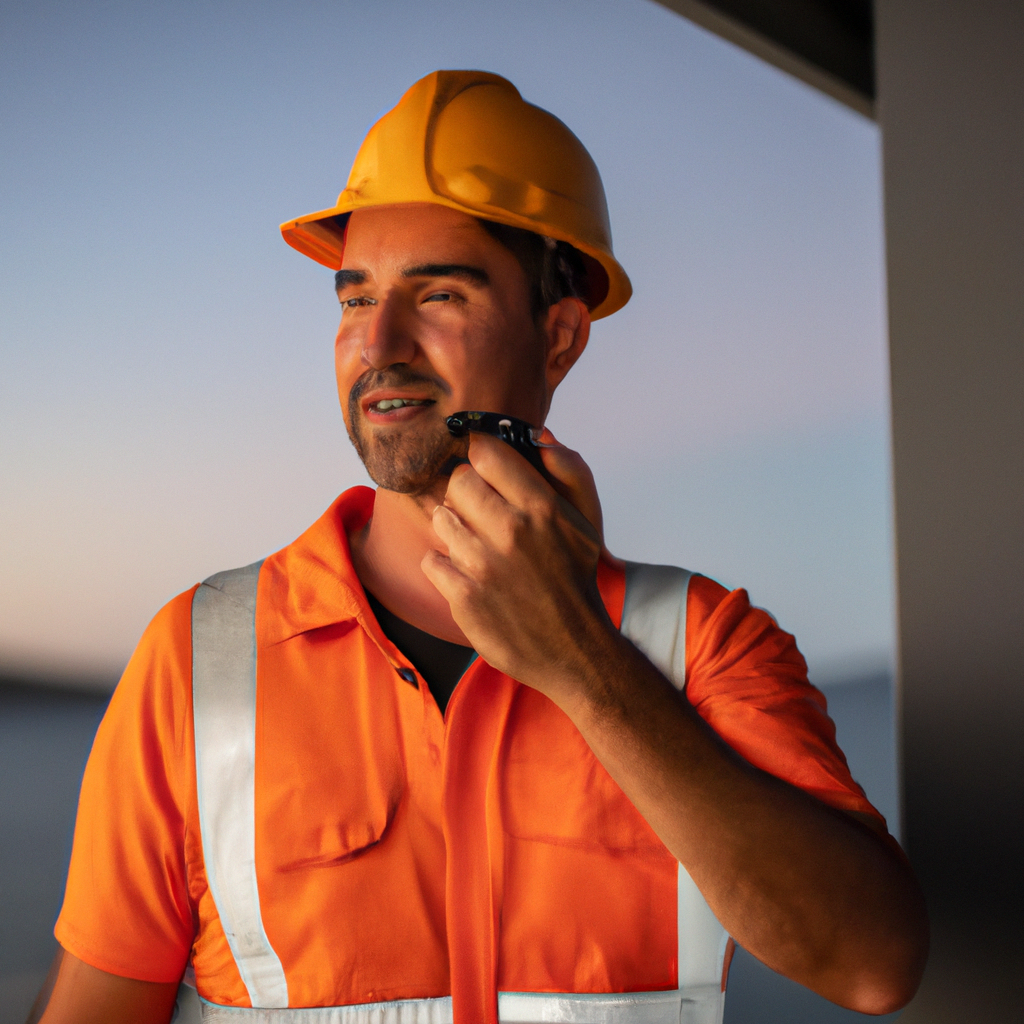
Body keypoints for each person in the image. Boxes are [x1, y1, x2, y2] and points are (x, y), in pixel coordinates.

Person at [33, 70, 927, 1024]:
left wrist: (584, 665)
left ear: (560, 337)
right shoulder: (197, 659)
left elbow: (872, 966)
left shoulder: (698, 644)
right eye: (353, 300)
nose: (379, 343)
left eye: (440, 294)